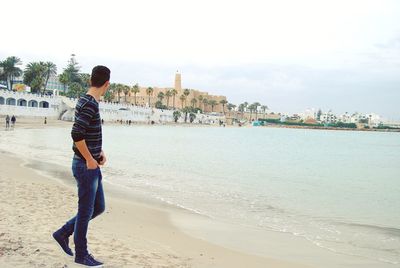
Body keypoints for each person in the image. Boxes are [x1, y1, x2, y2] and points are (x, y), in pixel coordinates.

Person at [53, 66, 110, 267]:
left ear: (90, 80)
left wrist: (98, 153)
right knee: (86, 211)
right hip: (86, 167)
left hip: (90, 164)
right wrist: (89, 159)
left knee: (99, 207)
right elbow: (77, 134)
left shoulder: (86, 100)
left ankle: (63, 233)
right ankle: (81, 254)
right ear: (106, 84)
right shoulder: (90, 104)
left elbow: (85, 132)